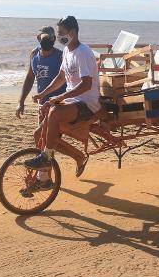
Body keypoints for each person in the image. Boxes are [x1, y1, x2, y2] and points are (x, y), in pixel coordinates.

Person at [24, 16, 101, 177]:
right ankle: (77, 157)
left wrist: (60, 97)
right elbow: (61, 77)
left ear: (72, 32)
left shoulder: (83, 52)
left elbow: (86, 84)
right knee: (39, 134)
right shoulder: (67, 51)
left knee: (55, 112)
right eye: (58, 33)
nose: (58, 37)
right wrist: (43, 95)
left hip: (88, 103)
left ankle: (46, 159)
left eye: (61, 33)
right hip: (73, 102)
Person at [15, 26, 66, 121]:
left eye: (50, 38)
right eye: (45, 38)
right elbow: (30, 78)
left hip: (59, 104)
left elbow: (66, 79)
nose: (48, 41)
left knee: (46, 134)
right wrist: (21, 102)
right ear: (39, 38)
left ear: (54, 39)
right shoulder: (34, 54)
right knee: (43, 134)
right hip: (42, 104)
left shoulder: (61, 57)